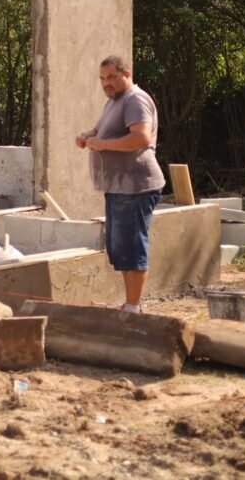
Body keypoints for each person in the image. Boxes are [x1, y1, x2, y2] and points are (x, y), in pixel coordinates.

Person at [75, 55, 165, 314]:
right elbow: (101, 130)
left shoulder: (135, 100)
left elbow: (141, 138)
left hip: (136, 185)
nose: (106, 83)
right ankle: (130, 304)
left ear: (127, 74)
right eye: (102, 78)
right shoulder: (114, 101)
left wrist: (102, 145)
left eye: (112, 77)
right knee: (123, 248)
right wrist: (88, 136)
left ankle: (133, 308)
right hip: (119, 186)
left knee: (133, 247)